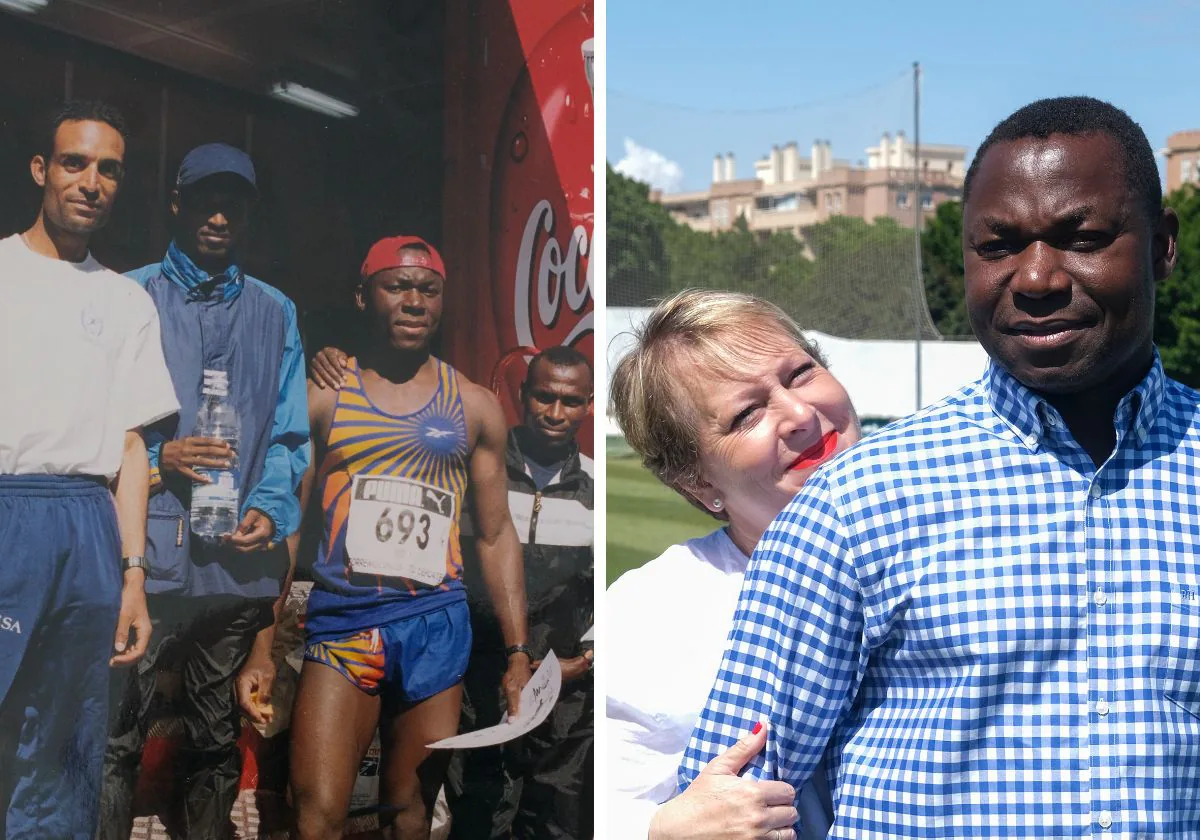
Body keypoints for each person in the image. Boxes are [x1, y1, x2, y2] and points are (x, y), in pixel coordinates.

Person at [681, 96, 1192, 839]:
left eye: (1082, 237)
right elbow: (725, 806)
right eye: (999, 246)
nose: (1038, 277)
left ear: (1162, 246)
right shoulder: (854, 504)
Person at [289, 235, 533, 840]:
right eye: (396, 286)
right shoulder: (324, 394)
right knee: (316, 813)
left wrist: (518, 652)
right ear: (362, 296)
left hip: (435, 624)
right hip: (345, 619)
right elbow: (292, 524)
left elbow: (497, 535)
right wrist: (265, 635)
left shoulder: (474, 406)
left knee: (410, 813)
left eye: (428, 290)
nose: (414, 301)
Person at [98, 142, 310, 840]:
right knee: (117, 733)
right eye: (206, 200)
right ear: (177, 203)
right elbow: (92, 423)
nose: (220, 216)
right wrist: (163, 455)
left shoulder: (276, 310)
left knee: (217, 736)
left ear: (249, 212)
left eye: (235, 202)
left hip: (232, 567)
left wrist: (272, 509)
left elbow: (287, 437)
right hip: (144, 560)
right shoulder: (128, 293)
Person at [606, 289, 859, 840]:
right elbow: (601, 807)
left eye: (799, 374)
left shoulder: (964, 537)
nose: (799, 415)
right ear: (697, 483)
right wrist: (665, 831)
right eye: (746, 414)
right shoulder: (646, 612)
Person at [0, 100, 179, 838]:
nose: (91, 182)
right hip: (8, 511)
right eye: (75, 162)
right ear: (42, 169)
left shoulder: (127, 300)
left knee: (67, 743)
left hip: (87, 527)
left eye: (109, 169)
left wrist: (133, 575)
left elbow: (131, 446)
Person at [447, 345, 595, 840]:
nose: (555, 413)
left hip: (566, 690)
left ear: (588, 405)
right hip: (480, 682)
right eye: (544, 397)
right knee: (477, 818)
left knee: (554, 824)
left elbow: (609, 588)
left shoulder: (598, 484)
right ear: (522, 395)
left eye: (570, 401)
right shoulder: (475, 471)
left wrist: (587, 656)